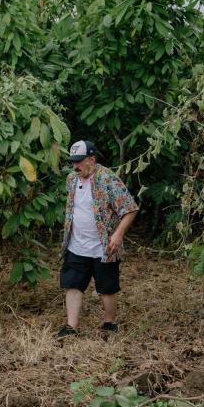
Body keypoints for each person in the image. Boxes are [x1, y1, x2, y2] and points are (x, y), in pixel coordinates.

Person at [57, 140, 139, 339]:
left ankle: (109, 322)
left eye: (80, 161)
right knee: (73, 283)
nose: (76, 166)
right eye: (73, 162)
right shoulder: (71, 180)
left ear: (92, 159)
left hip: (103, 246)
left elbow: (130, 208)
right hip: (77, 244)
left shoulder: (108, 179)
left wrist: (118, 234)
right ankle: (71, 326)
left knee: (107, 287)